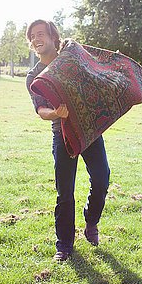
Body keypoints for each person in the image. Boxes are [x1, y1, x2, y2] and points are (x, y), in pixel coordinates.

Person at [25, 19, 110, 262]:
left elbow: (95, 77)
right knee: (65, 192)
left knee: (102, 180)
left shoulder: (71, 60)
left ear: (53, 37)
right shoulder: (34, 76)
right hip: (61, 134)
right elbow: (40, 110)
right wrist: (55, 114)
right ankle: (64, 246)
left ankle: (91, 222)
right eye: (32, 36)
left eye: (41, 34)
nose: (36, 39)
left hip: (88, 129)